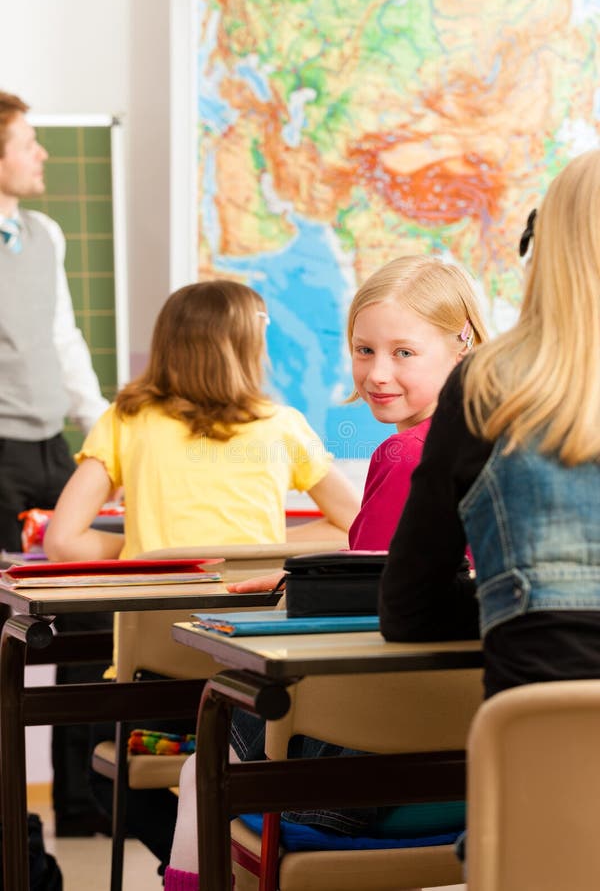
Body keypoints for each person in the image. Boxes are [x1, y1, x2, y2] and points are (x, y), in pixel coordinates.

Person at [166, 255, 488, 889]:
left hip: (379, 751)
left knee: (202, 754)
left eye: (403, 353)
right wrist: (302, 578)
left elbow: (364, 614)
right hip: (475, 736)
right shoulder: (503, 435)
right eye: (364, 350)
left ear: (463, 344)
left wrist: (299, 600)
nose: (376, 373)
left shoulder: (406, 453)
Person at [44, 278, 360, 871]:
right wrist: (258, 547)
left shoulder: (127, 419)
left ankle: (196, 867)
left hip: (156, 671)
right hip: (255, 670)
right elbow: (355, 527)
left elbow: (62, 540)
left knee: (104, 779)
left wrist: (147, 551)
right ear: (245, 346)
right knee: (246, 776)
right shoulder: (281, 425)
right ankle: (227, 863)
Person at [380, 148, 600, 701]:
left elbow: (409, 610)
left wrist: (507, 597)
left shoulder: (487, 385)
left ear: (542, 251)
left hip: (544, 757)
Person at [0, 90, 112, 839]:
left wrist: (108, 434)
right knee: (11, 629)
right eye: (29, 142)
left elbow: (67, 340)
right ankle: (18, 821)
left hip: (53, 450)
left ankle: (82, 805)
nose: (41, 155)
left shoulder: (44, 234)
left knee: (90, 615)